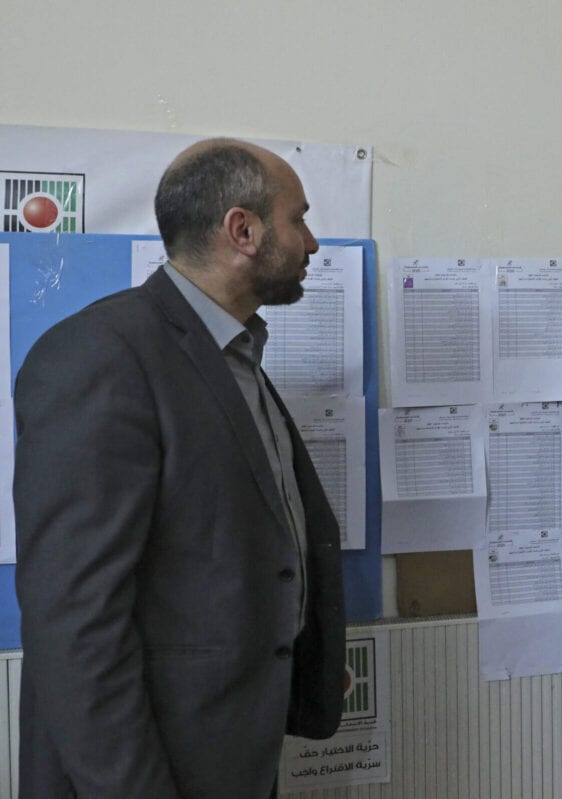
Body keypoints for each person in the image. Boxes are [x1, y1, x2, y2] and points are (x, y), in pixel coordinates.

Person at [14, 138, 346, 798]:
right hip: (147, 772)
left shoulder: (234, 357)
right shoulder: (103, 355)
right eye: (298, 219)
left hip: (231, 755)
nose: (311, 243)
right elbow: (75, 623)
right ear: (242, 230)